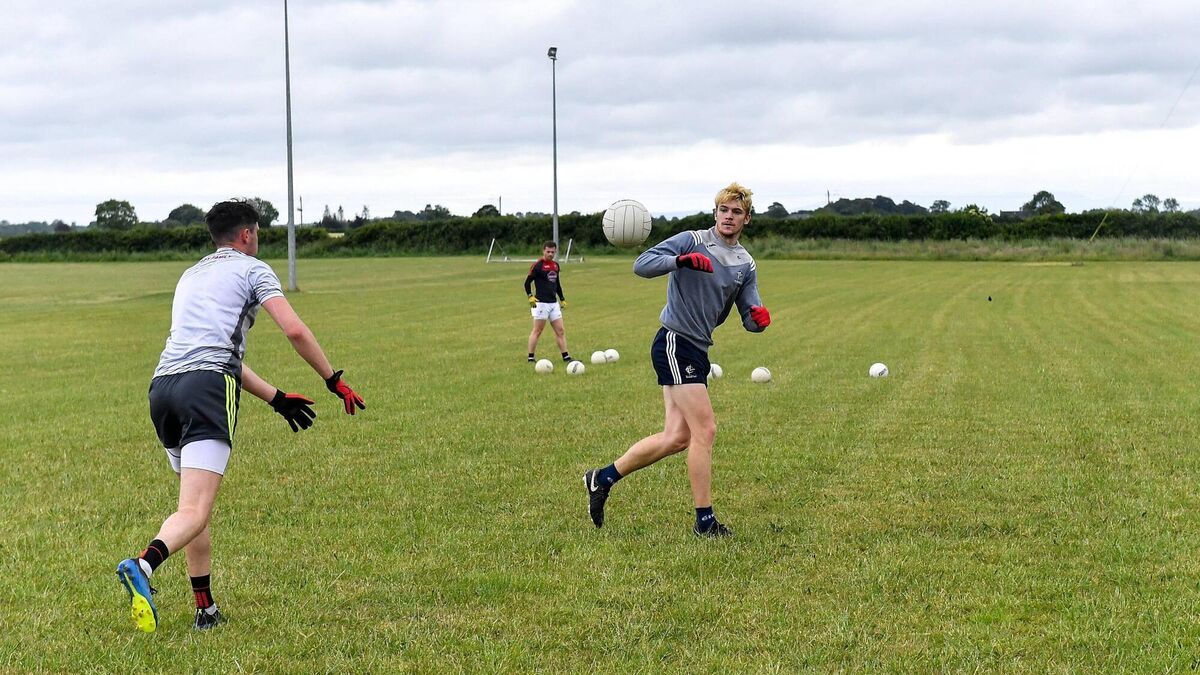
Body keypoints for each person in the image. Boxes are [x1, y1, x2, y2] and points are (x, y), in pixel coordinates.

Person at [115, 200, 366, 633]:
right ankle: (144, 564)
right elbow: (294, 329)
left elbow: (217, 352)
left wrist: (277, 398)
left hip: (163, 389)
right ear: (247, 234)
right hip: (207, 390)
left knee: (191, 508)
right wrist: (332, 378)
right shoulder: (253, 270)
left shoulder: (191, 275)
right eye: (258, 232)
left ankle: (206, 609)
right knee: (194, 510)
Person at [583, 182, 771, 537]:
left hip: (697, 348)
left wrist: (757, 320)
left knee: (677, 437)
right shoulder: (691, 240)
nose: (728, 217)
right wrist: (679, 261)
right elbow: (642, 264)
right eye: (724, 210)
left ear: (746, 219)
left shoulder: (746, 264)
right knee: (706, 430)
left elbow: (751, 314)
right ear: (715, 212)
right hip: (674, 341)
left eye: (736, 212)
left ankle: (602, 478)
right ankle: (705, 522)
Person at [524, 240, 573, 364]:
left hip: (553, 304)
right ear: (543, 251)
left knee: (560, 330)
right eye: (548, 251)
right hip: (541, 304)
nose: (550, 254)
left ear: (555, 252)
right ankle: (531, 357)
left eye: (552, 252)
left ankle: (566, 357)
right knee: (537, 330)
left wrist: (562, 298)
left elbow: (557, 284)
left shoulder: (556, 266)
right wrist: (530, 296)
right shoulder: (537, 265)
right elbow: (527, 283)